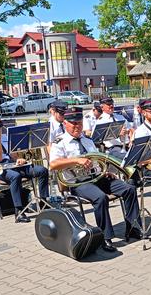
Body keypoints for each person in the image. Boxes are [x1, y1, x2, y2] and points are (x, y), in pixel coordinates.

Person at [49, 107, 142, 251]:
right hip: (79, 182)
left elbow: (97, 159)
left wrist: (104, 172)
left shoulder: (87, 140)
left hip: (97, 178)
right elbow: (53, 164)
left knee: (129, 189)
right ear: (65, 123)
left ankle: (133, 228)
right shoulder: (59, 142)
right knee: (100, 198)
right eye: (73, 124)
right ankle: (106, 238)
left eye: (79, 123)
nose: (77, 126)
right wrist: (76, 161)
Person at [0, 115, 49, 223]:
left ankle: (44, 203)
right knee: (15, 176)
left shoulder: (5, 137)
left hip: (11, 164)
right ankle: (19, 211)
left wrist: (19, 159)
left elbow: (13, 154)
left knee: (42, 171)